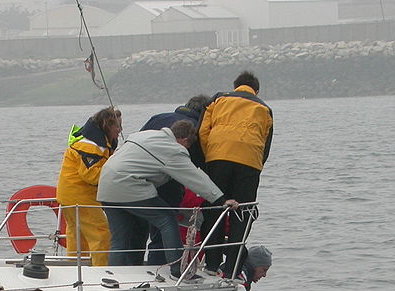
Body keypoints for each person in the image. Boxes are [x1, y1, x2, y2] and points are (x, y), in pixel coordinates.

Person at [96, 120, 238, 280]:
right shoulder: (173, 149)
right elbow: (194, 177)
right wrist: (220, 199)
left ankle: (113, 275)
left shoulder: (145, 135)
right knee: (167, 219)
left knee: (119, 238)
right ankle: (178, 270)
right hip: (129, 185)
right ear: (184, 140)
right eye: (188, 147)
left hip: (106, 186)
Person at [199, 71, 273, 278]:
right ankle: (231, 268)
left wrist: (210, 157)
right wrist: (256, 167)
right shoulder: (264, 108)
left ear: (235, 86)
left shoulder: (219, 99)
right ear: (256, 90)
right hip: (249, 163)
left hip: (218, 158)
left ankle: (212, 264)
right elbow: (266, 146)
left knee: (215, 210)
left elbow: (203, 131)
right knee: (242, 215)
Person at [140, 95, 211, 264]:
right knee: (163, 231)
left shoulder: (157, 118)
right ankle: (160, 267)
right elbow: (196, 167)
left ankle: (132, 269)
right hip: (167, 185)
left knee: (137, 232)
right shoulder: (195, 128)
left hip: (138, 182)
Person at [56, 107, 122, 266]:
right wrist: (118, 175)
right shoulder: (92, 146)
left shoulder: (91, 142)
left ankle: (75, 266)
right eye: (117, 126)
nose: (120, 130)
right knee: (101, 233)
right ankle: (102, 270)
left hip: (68, 194)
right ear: (107, 125)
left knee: (77, 234)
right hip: (81, 196)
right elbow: (91, 175)